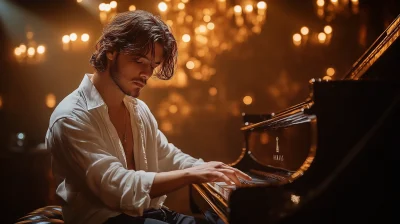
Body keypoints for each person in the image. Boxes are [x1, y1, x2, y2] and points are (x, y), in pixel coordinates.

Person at [45, 10, 251, 224]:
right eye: (140, 61)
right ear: (111, 51)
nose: (147, 73)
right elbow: (116, 186)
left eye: (153, 65)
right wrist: (195, 175)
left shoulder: (138, 109)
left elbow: (168, 156)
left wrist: (214, 172)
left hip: (148, 214)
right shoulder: (71, 117)